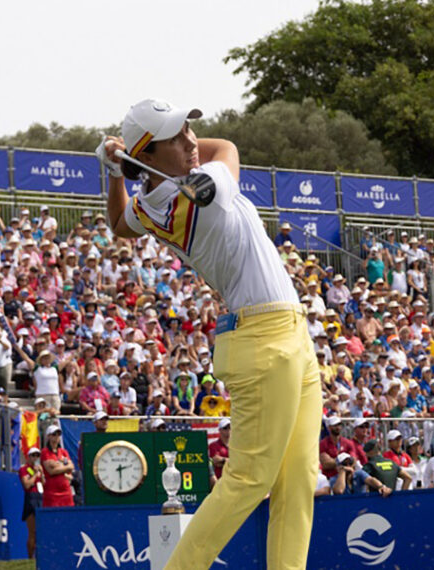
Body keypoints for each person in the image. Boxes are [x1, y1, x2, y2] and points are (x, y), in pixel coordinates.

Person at [98, 99, 323, 569]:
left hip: (285, 332)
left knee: (298, 477)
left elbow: (119, 224)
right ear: (149, 156)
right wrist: (125, 164)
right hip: (264, 339)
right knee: (250, 478)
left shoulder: (154, 202)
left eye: (188, 131)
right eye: (175, 139)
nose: (190, 142)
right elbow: (229, 148)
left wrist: (115, 171)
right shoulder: (212, 187)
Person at [40, 426, 74, 508]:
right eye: (54, 434)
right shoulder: (45, 452)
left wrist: (57, 465)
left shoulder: (63, 452)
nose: (56, 437)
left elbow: (71, 467)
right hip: (52, 492)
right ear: (48, 436)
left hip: (66, 491)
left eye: (58, 434)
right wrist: (64, 465)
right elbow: (51, 471)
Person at [19, 448, 44, 559]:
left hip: (41, 497)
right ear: (28, 457)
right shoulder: (24, 469)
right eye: (33, 456)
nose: (35, 458)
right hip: (31, 499)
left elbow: (44, 483)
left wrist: (41, 474)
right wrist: (35, 474)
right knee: (32, 531)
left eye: (37, 456)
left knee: (41, 531)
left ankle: (40, 556)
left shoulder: (40, 469)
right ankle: (30, 557)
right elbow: (27, 484)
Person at [209, 418, 231, 484]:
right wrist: (231, 461)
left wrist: (223, 461)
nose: (228, 430)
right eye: (225, 428)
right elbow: (215, 461)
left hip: (234, 480)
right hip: (220, 481)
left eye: (230, 428)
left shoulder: (236, 446)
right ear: (220, 430)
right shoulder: (213, 445)